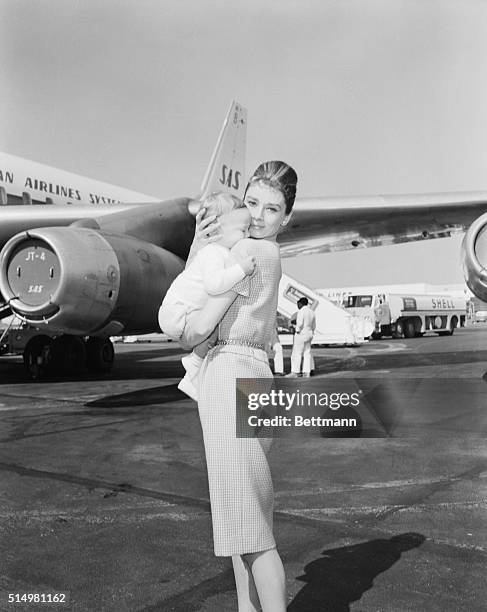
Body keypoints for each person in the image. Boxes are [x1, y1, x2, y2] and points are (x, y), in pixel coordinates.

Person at [180, 160, 297, 612]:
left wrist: (203, 234)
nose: (259, 215)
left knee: (250, 529)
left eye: (273, 209)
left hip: (232, 372)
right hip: (250, 372)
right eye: (252, 203)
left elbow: (195, 313)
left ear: (287, 218)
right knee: (242, 517)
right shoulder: (256, 250)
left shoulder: (255, 252)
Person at [157, 192, 255, 400]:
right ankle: (194, 366)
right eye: (243, 230)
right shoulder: (212, 253)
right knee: (217, 331)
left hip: (183, 313)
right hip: (178, 314)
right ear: (218, 230)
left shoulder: (219, 252)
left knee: (216, 333)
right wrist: (242, 270)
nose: (247, 236)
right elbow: (214, 285)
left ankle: (194, 369)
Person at [288, 297, 316, 377]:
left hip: (301, 334)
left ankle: (295, 372)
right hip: (309, 334)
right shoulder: (312, 312)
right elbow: (314, 326)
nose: (297, 305)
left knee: (297, 353)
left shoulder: (301, 311)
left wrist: (296, 330)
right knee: (307, 353)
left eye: (298, 303)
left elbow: (299, 324)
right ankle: (306, 372)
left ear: (301, 303)